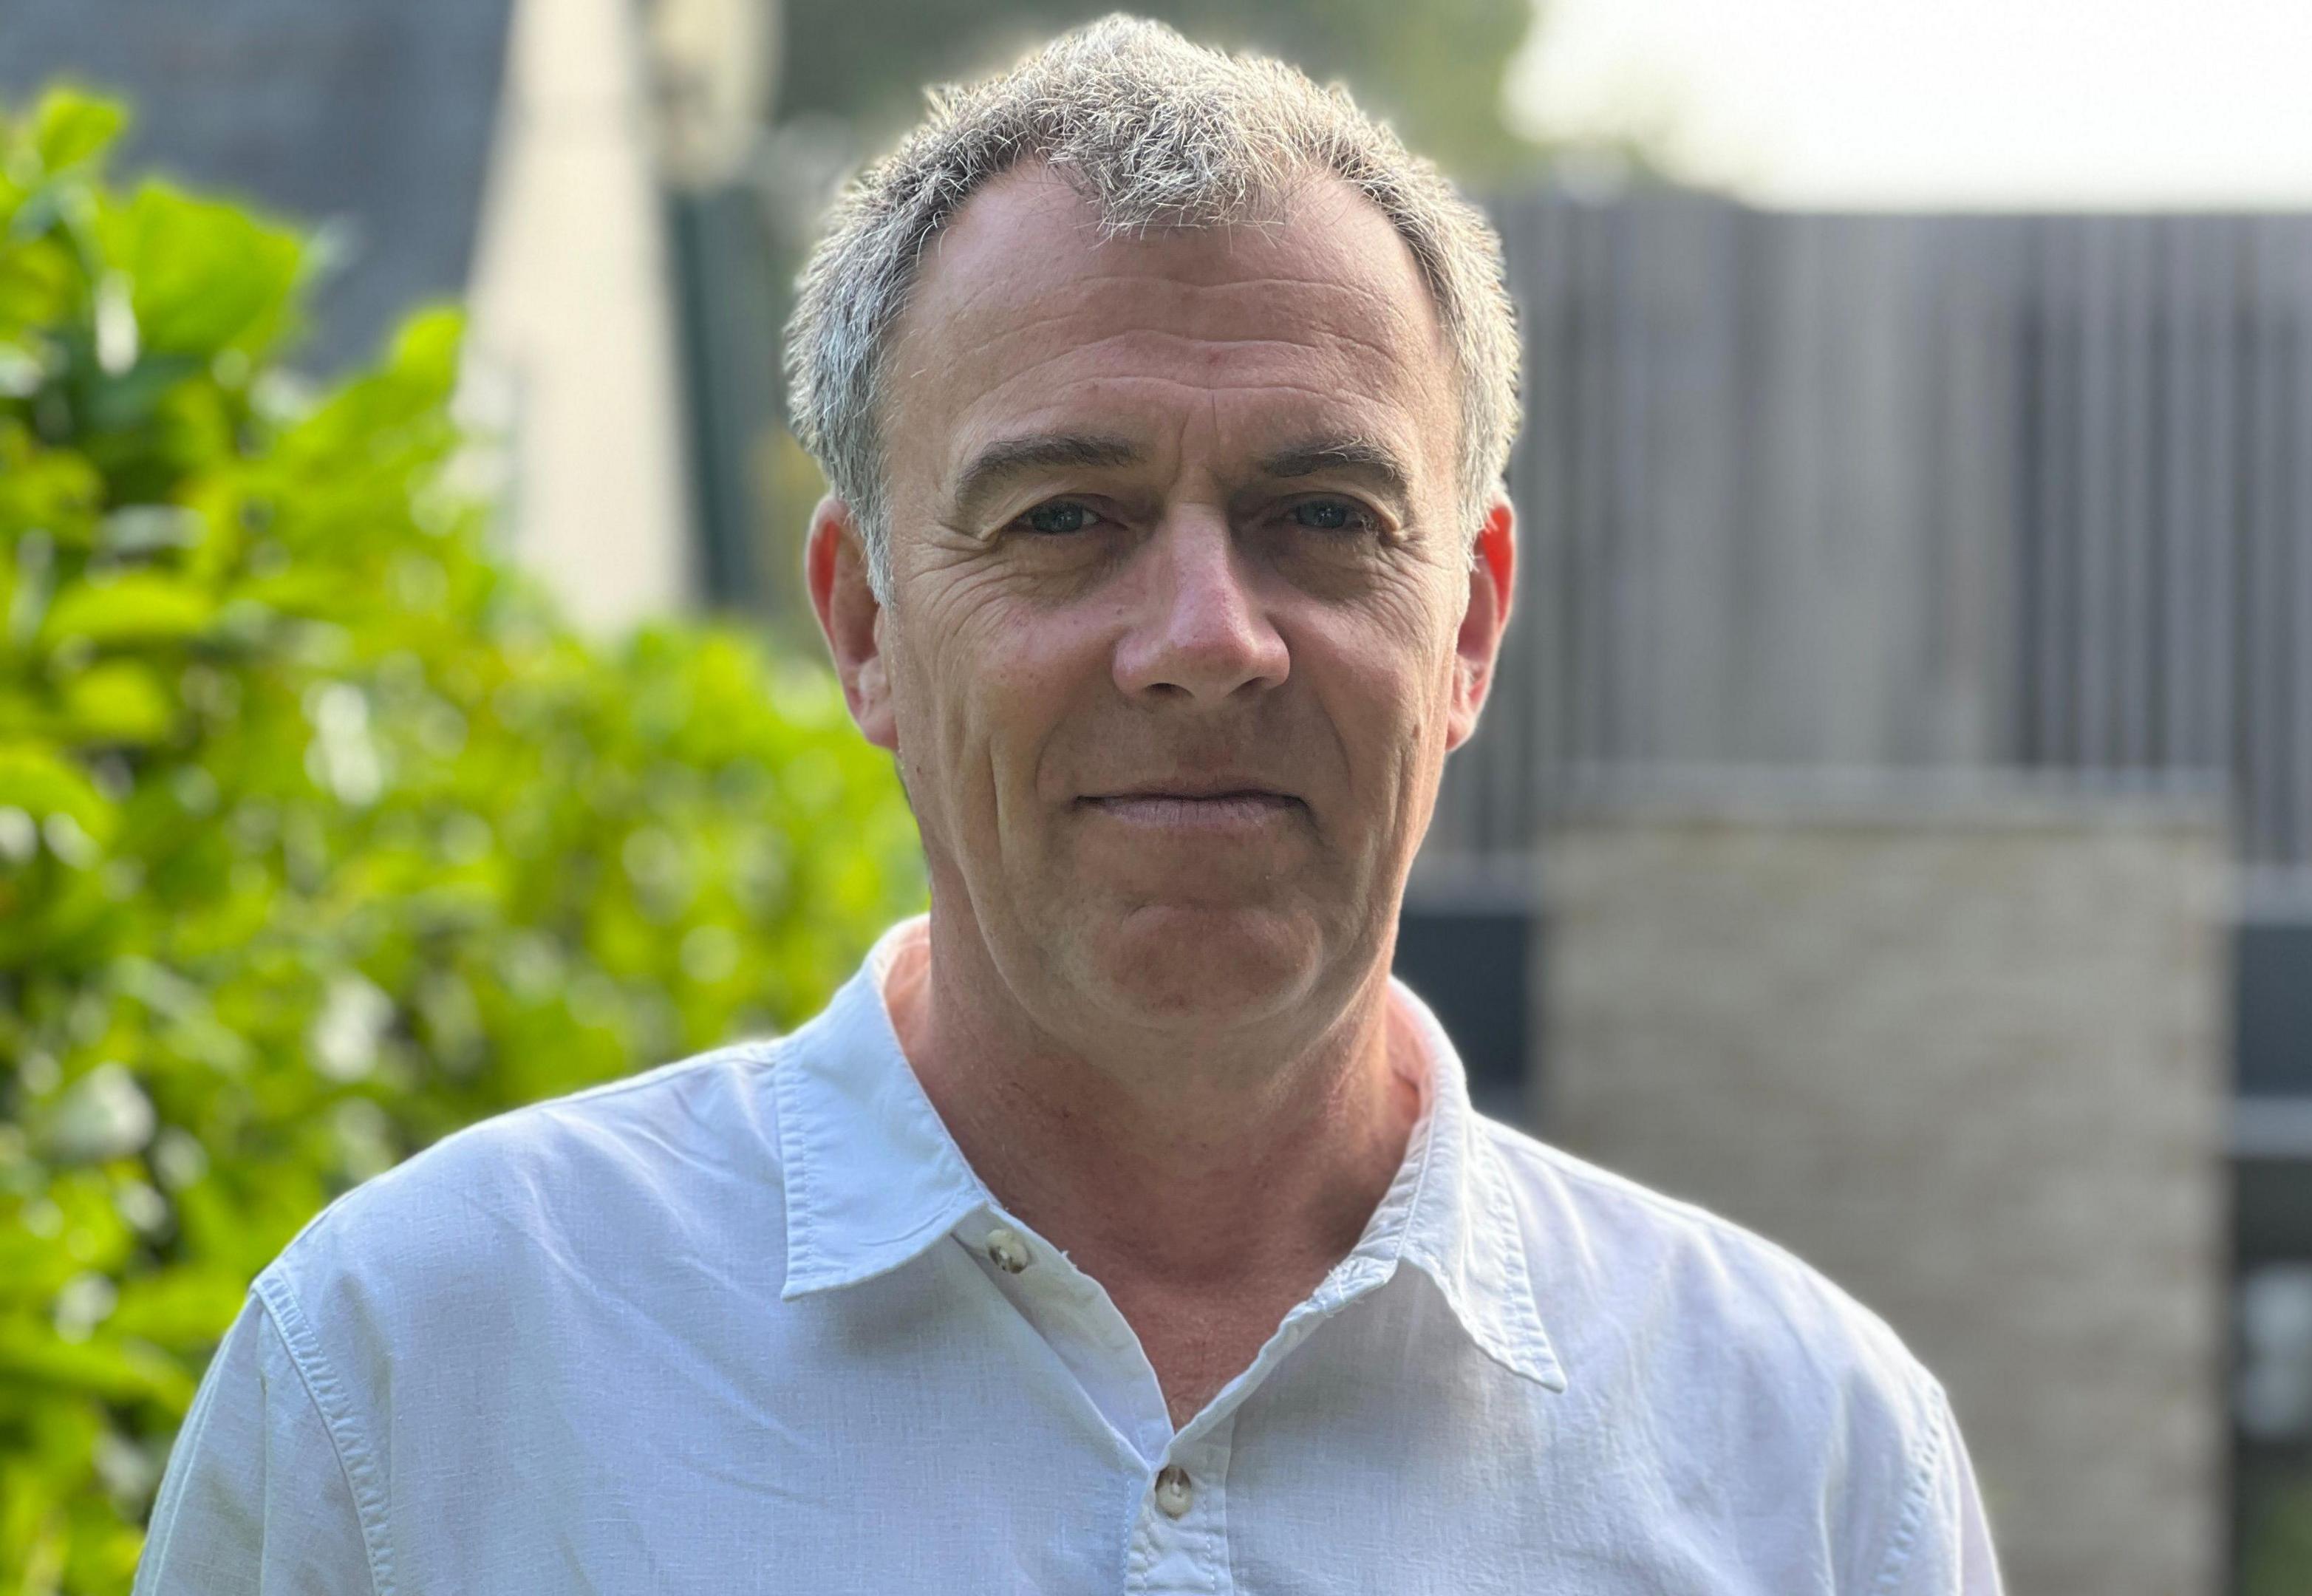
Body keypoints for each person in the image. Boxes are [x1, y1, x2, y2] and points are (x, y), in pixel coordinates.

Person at [134, 18, 2002, 1592]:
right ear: (866, 624)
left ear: (1471, 626)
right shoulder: (417, 1382)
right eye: (1066, 519)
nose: (1208, 639)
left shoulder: (1813, 1472)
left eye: (1322, 519)